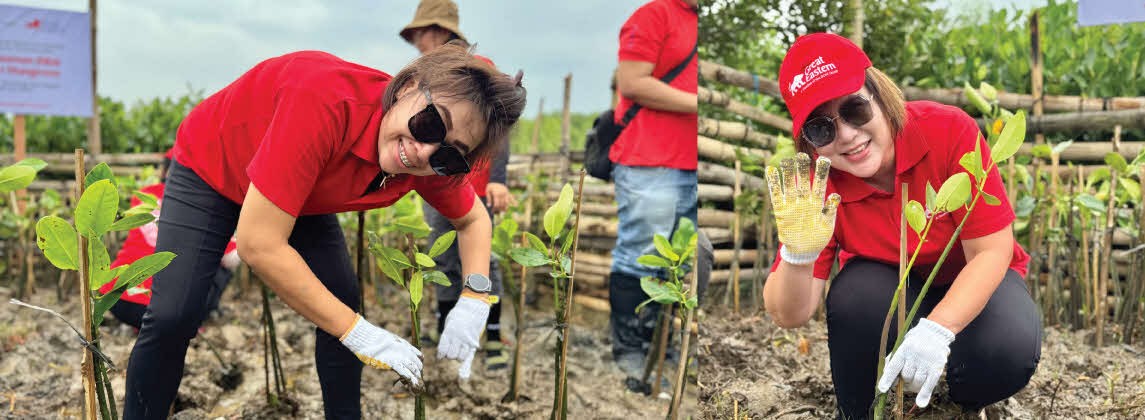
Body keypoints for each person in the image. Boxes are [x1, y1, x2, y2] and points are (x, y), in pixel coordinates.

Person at [122, 44, 526, 419]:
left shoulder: (432, 159)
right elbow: (258, 244)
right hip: (213, 169)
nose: (424, 151)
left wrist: (474, 298)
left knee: (340, 299)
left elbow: (473, 219)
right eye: (430, 123)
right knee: (175, 314)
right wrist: (357, 331)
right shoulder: (324, 101)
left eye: (452, 154)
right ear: (407, 87)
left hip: (299, 190)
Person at [762, 33, 1039, 418]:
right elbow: (789, 314)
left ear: (881, 94)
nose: (847, 136)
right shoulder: (820, 187)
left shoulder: (947, 131)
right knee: (855, 297)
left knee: (1005, 349)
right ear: (808, 142)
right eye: (821, 129)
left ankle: (960, 404)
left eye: (855, 110)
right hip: (893, 291)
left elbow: (992, 251)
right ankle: (864, 408)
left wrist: (938, 329)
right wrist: (797, 253)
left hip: (976, 278)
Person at [400, 0, 515, 372]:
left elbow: (500, 135)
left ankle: (494, 337)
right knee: (443, 256)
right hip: (438, 184)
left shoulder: (481, 72)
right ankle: (448, 329)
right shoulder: (426, 76)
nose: (418, 45)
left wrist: (497, 181)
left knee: (482, 262)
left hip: (477, 186)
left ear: (437, 31)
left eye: (420, 36)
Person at [607, 0, 699, 382]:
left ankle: (661, 345)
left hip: (692, 160)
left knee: (678, 260)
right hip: (651, 160)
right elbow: (632, 82)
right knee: (640, 254)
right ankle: (629, 347)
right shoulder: (656, 13)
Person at [98, 151, 239, 330]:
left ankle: (143, 327)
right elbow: (232, 258)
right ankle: (191, 324)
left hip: (116, 298)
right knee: (220, 263)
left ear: (164, 171)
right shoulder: (204, 203)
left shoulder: (143, 195)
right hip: (166, 311)